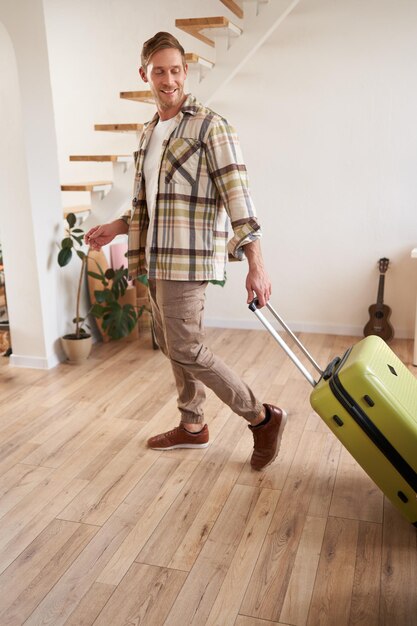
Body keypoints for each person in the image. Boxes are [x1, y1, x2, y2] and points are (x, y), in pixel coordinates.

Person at [85, 31, 287, 470]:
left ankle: (261, 417)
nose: (169, 79)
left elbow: (239, 198)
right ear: (145, 75)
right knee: (174, 344)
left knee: (187, 348)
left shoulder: (210, 126)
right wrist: (116, 228)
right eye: (159, 71)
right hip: (154, 257)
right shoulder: (148, 132)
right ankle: (193, 426)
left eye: (176, 70)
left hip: (189, 258)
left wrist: (256, 264)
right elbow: (149, 202)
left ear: (185, 72)